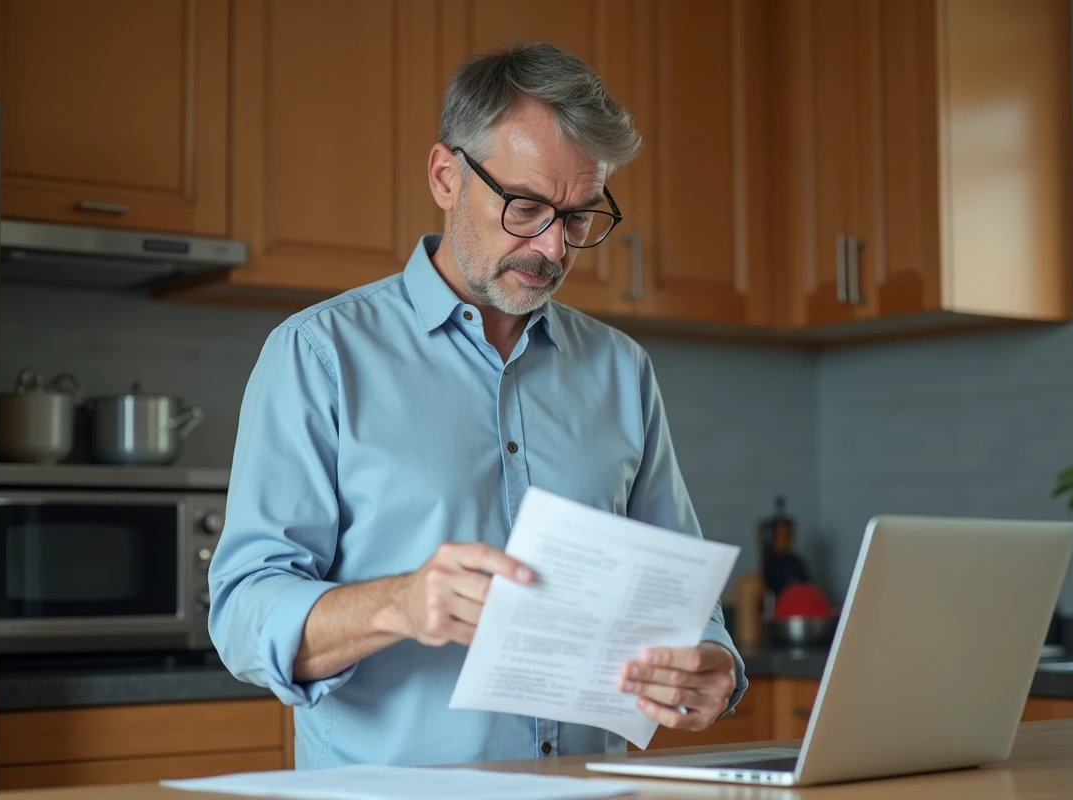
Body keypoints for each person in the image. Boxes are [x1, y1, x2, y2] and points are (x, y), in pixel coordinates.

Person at [208, 39, 747, 770]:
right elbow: (244, 616)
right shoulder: (318, 355)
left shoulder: (623, 370)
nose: (553, 248)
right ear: (445, 176)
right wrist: (396, 604)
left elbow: (681, 593)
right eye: (526, 206)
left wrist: (711, 659)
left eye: (580, 216)